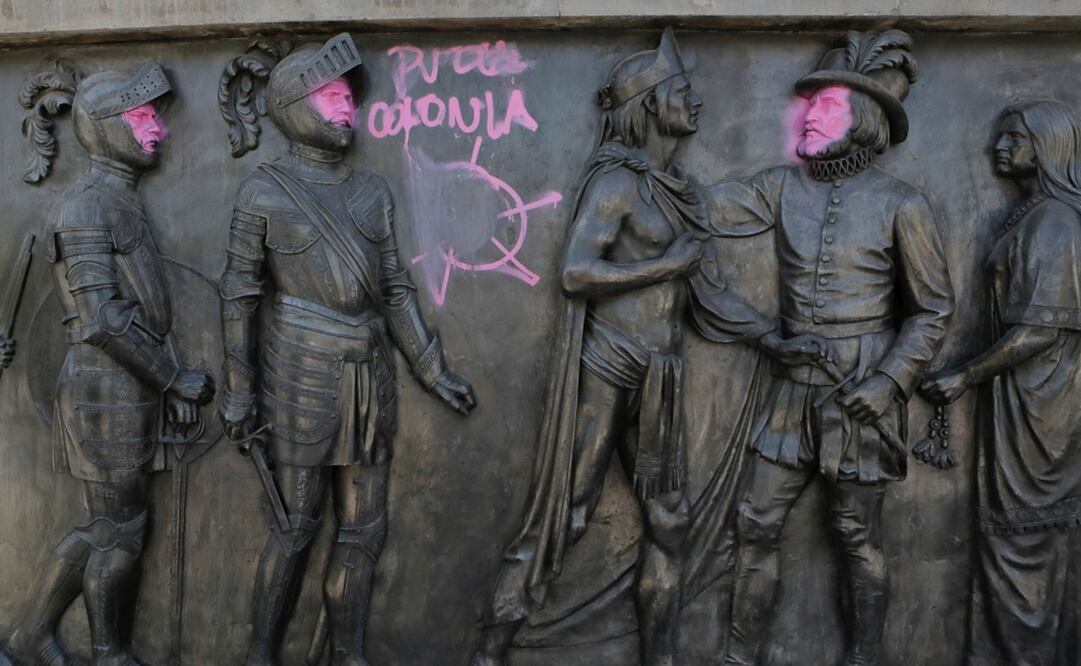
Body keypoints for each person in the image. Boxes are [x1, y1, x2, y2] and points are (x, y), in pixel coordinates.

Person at [471, 28, 770, 666]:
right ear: (652, 104)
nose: (697, 103)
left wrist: (776, 338)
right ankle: (489, 655)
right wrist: (665, 267)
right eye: (684, 91)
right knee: (566, 515)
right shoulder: (617, 184)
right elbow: (575, 274)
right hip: (608, 365)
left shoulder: (675, 190)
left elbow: (708, 295)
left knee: (671, 520)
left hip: (662, 373)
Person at [217, 33, 476, 666]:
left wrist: (432, 366)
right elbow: (239, 296)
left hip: (370, 375)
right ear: (296, 106)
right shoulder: (263, 192)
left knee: (365, 528)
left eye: (348, 98)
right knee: (295, 524)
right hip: (298, 373)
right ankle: (260, 656)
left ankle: (349, 653)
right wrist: (239, 387)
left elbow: (393, 290)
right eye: (332, 96)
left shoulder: (372, 194)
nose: (345, 108)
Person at [697, 30, 954, 666]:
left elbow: (933, 309)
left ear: (862, 119)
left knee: (856, 533)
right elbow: (705, 208)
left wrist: (890, 380)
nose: (808, 115)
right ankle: (739, 657)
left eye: (827, 106)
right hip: (793, 383)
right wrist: (641, 169)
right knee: (755, 522)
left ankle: (864, 658)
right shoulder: (781, 187)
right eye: (809, 105)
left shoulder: (903, 204)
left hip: (862, 387)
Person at [2, 61, 215, 666]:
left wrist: (165, 377)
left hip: (130, 383)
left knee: (107, 526)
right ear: (103, 127)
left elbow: (138, 308)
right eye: (142, 116)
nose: (157, 129)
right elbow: (102, 319)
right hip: (106, 388)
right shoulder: (86, 208)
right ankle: (109, 654)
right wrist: (173, 376)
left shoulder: (116, 199)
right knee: (122, 532)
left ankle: (30, 634)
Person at [921, 100, 1081, 666]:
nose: (998, 149)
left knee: (1025, 542)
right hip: (1021, 400)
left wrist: (963, 375)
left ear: (1048, 145)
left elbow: (1040, 328)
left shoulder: (1056, 222)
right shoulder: (1035, 215)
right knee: (1008, 538)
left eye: (1013, 138)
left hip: (1044, 409)